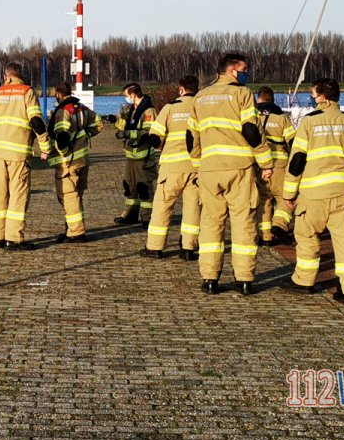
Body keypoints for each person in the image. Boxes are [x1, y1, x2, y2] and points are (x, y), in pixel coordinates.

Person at [187, 53, 274, 295]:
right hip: (239, 168)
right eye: (244, 69)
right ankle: (244, 280)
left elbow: (191, 137)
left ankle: (210, 279)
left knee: (211, 224)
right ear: (232, 70)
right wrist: (266, 162)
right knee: (243, 223)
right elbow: (251, 130)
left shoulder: (200, 96)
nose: (246, 73)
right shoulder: (242, 93)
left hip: (209, 169)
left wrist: (198, 165)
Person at [281, 78, 344, 305]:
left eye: (313, 94)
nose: (312, 98)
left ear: (321, 97)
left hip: (313, 193)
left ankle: (304, 281)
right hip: (342, 192)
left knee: (307, 236)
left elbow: (297, 160)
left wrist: (289, 193)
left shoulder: (309, 122)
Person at [0, 61, 50, 251]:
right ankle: (14, 238)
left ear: (6, 76)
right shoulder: (26, 92)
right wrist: (45, 148)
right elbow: (36, 122)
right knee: (18, 196)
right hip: (18, 154)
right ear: (20, 75)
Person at [141, 75, 201, 260]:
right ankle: (189, 248)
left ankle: (155, 247)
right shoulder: (202, 107)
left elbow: (156, 137)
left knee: (163, 206)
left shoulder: (170, 108)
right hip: (196, 167)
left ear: (181, 89)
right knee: (193, 208)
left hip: (171, 168)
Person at [47, 82, 103, 243]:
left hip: (68, 162)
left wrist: (63, 152)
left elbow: (61, 136)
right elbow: (99, 123)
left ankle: (76, 232)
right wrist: (85, 136)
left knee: (69, 197)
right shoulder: (81, 107)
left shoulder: (63, 111)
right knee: (77, 196)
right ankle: (72, 228)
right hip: (82, 160)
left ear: (59, 94)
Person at [253, 86, 296, 245]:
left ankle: (266, 236)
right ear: (273, 99)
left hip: (259, 165)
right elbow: (293, 142)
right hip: (279, 165)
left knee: (264, 200)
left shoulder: (252, 116)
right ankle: (279, 224)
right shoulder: (281, 118)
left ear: (258, 98)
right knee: (285, 198)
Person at [114, 83, 157, 224]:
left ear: (133, 94)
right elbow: (127, 126)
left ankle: (147, 217)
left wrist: (128, 134)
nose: (126, 98)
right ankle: (131, 214)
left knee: (143, 187)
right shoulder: (133, 109)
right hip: (131, 154)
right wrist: (116, 120)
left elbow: (148, 132)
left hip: (143, 155)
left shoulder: (148, 110)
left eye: (127, 95)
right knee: (130, 185)